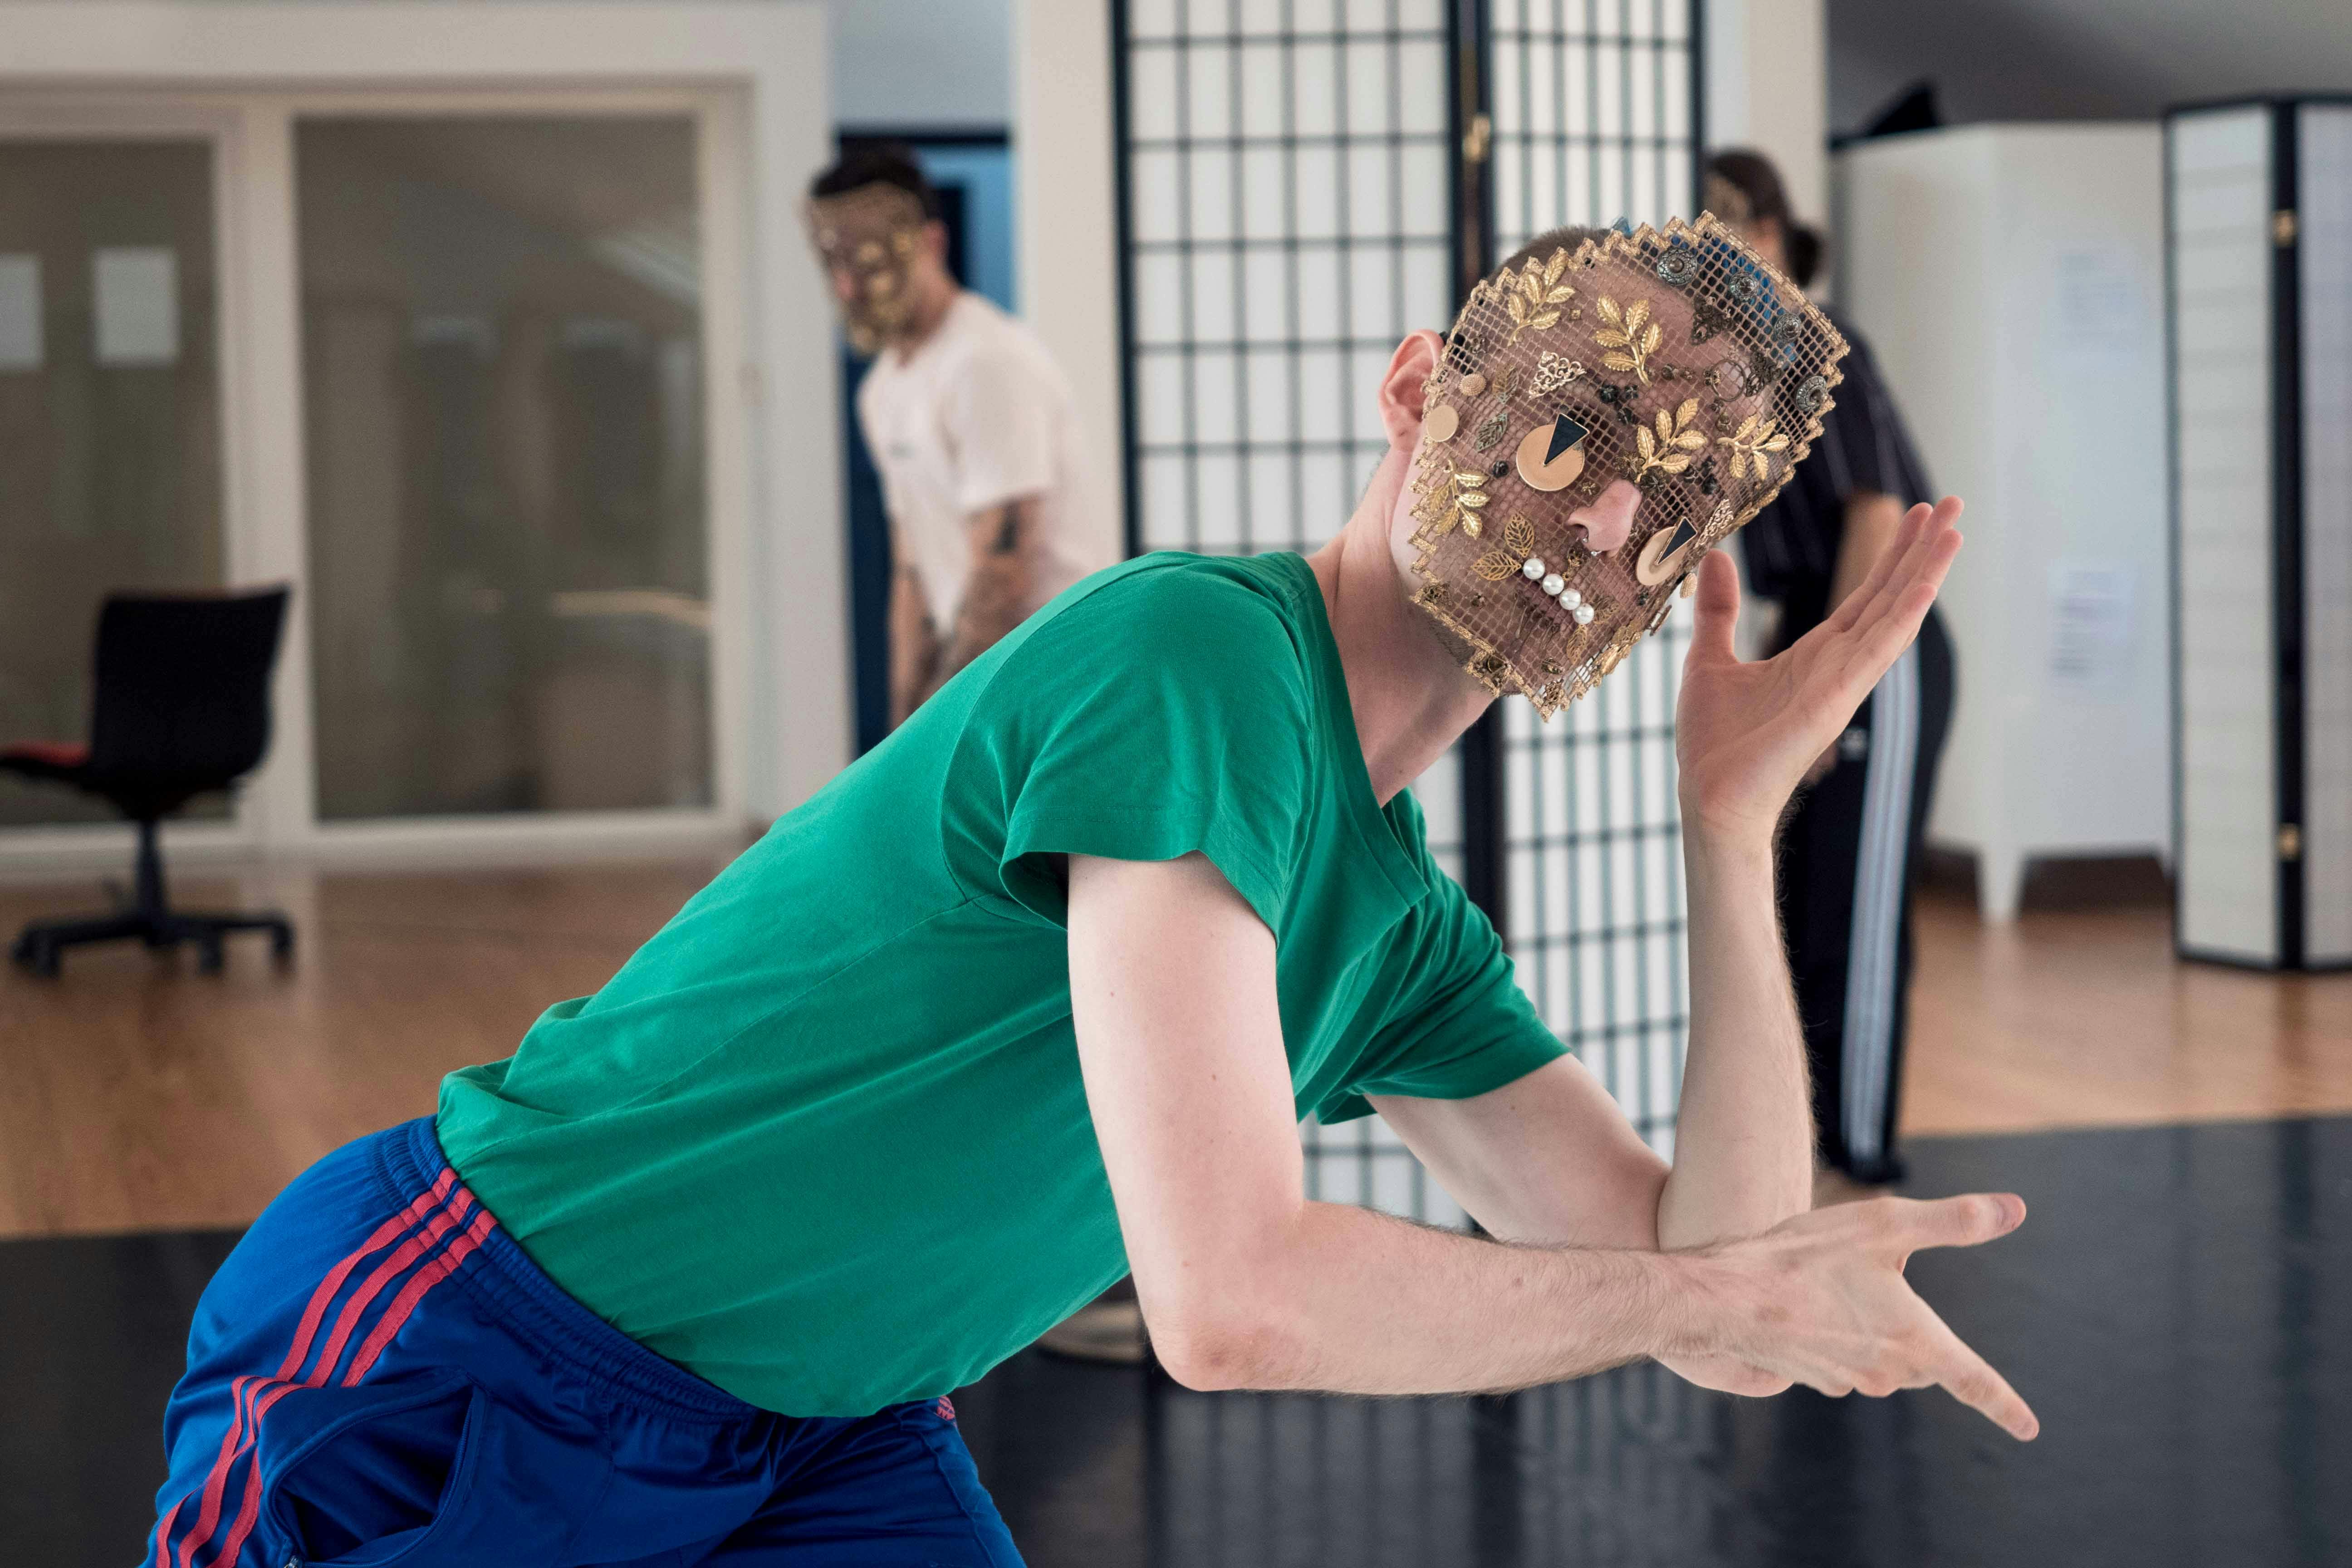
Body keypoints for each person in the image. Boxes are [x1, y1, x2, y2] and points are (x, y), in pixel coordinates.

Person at [143, 219, 2034, 1568]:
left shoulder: (1387, 924)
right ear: (1415, 391)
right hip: (470, 1347)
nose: (1607, 522)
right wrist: (1722, 1288)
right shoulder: (1199, 660)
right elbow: (1233, 1306)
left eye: (1679, 504)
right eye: (1574, 435)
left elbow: (1710, 1296)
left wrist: (1731, 828)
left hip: (818, 1432)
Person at [1705, 149, 1957, 1187]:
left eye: (1718, 231)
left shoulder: (1820, 345)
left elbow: (1867, 515)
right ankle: (1797, 1152)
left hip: (1877, 634)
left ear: (1765, 233)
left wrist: (1836, 681)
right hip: (1807, 624)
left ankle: (1855, 1159)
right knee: (1803, 893)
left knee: (1852, 904)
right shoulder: (1728, 376)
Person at [809, 143, 1108, 727]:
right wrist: (900, 735)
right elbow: (913, 569)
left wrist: (937, 726)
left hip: (1061, 682)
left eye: (870, 263)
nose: (850, 289)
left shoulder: (985, 362)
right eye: (837, 266)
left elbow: (1003, 573)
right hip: (989, 686)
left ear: (931, 244)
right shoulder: (883, 390)